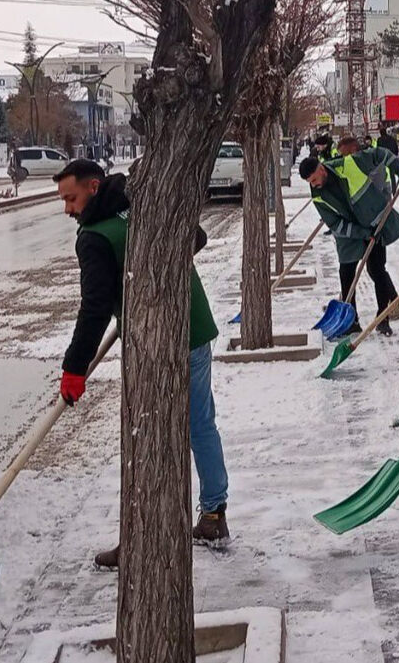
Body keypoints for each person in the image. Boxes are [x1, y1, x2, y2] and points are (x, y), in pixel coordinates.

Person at [52, 159, 231, 560]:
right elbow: (195, 237)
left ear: (93, 187)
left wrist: (74, 368)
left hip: (158, 340)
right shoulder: (141, 199)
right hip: (194, 323)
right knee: (199, 423)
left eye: (71, 198)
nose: (67, 209)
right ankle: (214, 513)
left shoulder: (94, 237)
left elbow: (94, 309)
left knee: (147, 433)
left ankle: (143, 535)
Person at [300, 143, 399, 336]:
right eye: (310, 182)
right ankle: (351, 320)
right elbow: (335, 225)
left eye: (314, 179)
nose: (314, 184)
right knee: (346, 273)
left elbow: (380, 153)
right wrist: (362, 233)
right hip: (349, 234)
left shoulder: (350, 164)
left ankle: (383, 318)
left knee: (377, 270)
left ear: (322, 169)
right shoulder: (317, 196)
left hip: (374, 222)